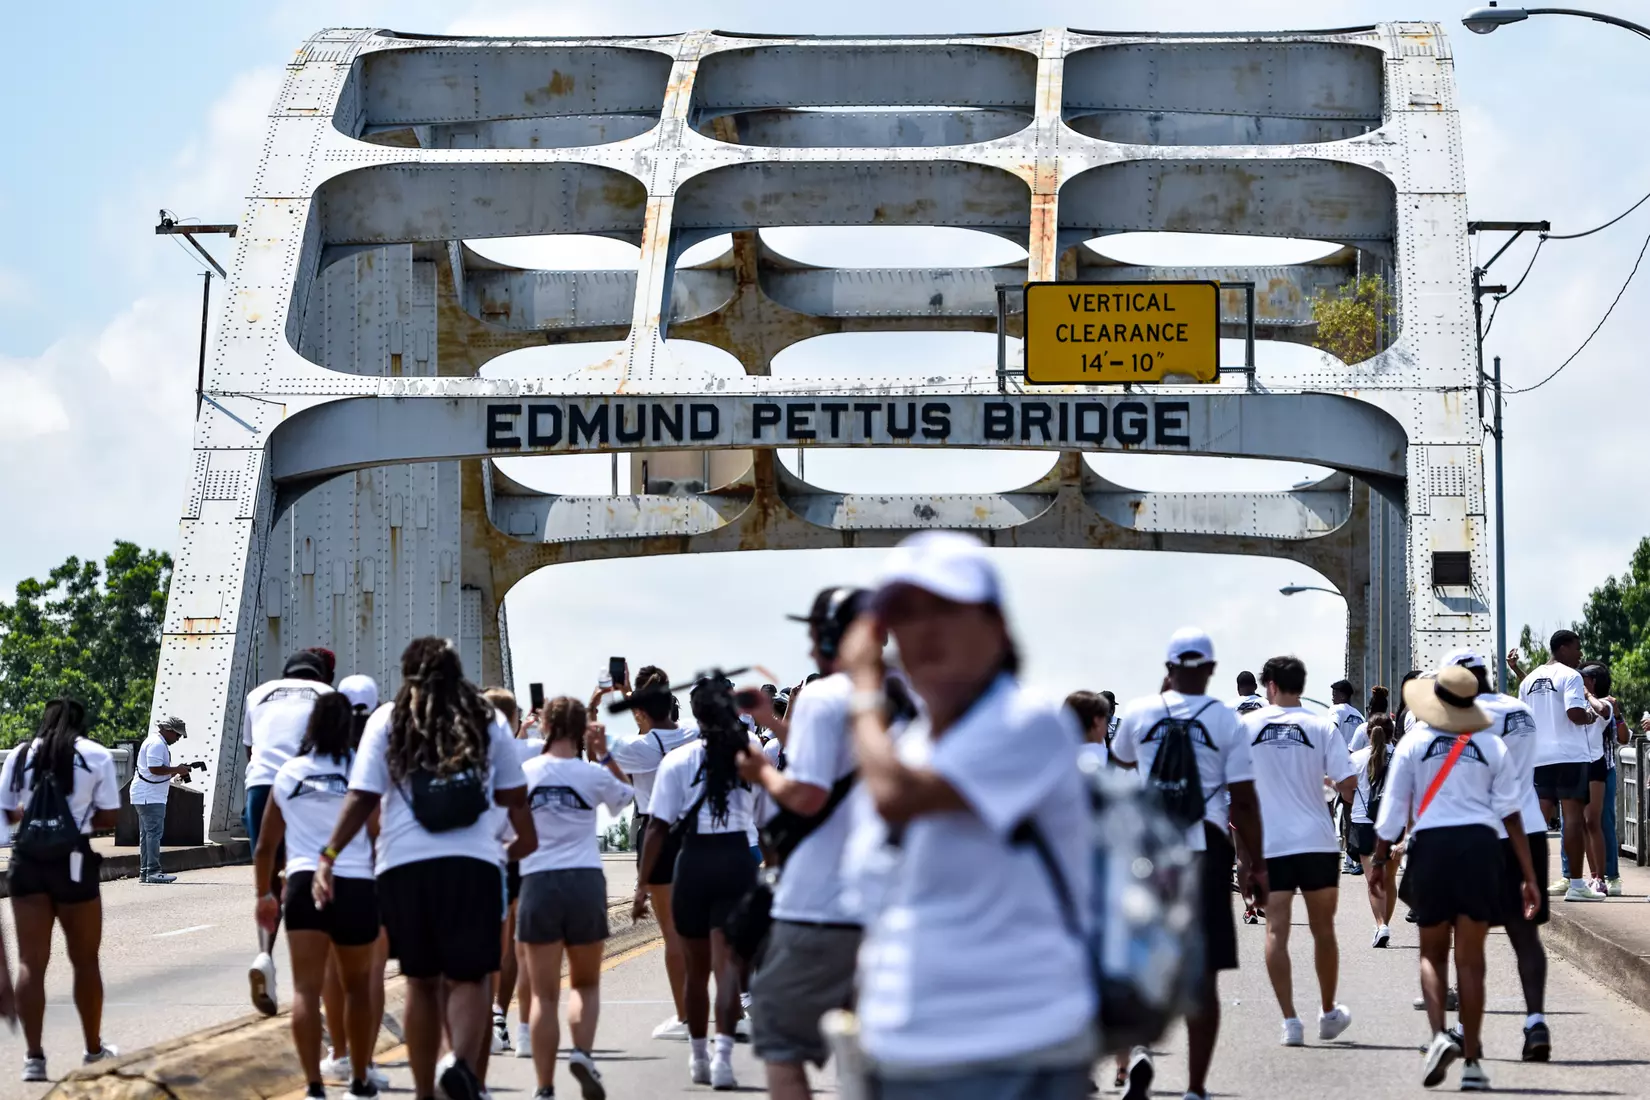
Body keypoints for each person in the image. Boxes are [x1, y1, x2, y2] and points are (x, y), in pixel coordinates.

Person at [830, 532, 1094, 1099]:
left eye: (945, 609)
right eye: (904, 613)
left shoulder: (1026, 722)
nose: (924, 630)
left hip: (1012, 1051)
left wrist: (863, 690)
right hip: (901, 1050)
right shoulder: (909, 742)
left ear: (997, 627)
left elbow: (898, 796)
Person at [313, 637, 536, 1100]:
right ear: (458, 673)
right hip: (474, 864)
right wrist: (515, 842)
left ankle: (424, 1093)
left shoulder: (386, 720)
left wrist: (329, 856)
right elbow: (514, 798)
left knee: (422, 982)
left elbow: (362, 797)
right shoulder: (488, 720)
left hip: (404, 866)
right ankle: (456, 1063)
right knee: (470, 977)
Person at [1113, 627, 1266, 1100]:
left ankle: (1138, 1048)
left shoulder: (1139, 712)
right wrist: (1255, 866)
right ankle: (1196, 1087)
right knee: (1203, 973)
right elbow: (1242, 800)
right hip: (1206, 847)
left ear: (1168, 669)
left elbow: (1120, 765)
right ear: (1212, 670)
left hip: (1149, 851)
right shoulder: (1226, 721)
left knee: (1142, 960)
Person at [1372, 664, 1540, 1092]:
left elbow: (1392, 813)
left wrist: (1377, 861)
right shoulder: (1490, 745)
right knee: (1471, 959)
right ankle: (1472, 1060)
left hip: (1432, 848)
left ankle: (1437, 1037)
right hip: (1481, 850)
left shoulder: (1413, 743)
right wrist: (1528, 874)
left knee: (1432, 953)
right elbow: (1512, 814)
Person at [736, 586, 870, 1100]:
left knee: (780, 1039)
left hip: (823, 906)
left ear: (831, 636)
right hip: (892, 904)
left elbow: (811, 794)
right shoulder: (910, 697)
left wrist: (761, 775)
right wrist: (774, 724)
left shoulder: (823, 697)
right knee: (871, 1049)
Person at [254, 692, 382, 1100]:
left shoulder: (289, 773)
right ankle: (360, 1081)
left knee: (306, 990)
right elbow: (379, 832)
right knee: (358, 987)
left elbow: (265, 847)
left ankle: (313, 1086)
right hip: (357, 884)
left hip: (304, 886)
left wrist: (264, 895)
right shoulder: (361, 772)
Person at [636, 677, 760, 1090]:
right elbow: (767, 813)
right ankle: (724, 1058)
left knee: (696, 969)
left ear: (693, 715)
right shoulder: (750, 754)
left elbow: (657, 828)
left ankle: (698, 1055)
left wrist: (641, 885)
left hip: (694, 862)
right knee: (728, 967)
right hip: (737, 858)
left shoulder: (678, 760)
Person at [517, 696, 633, 1100]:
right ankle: (582, 1052)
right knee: (584, 983)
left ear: (544, 725)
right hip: (585, 880)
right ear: (583, 728)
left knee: (544, 993)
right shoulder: (590, 774)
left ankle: (544, 1087)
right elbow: (626, 796)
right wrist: (603, 755)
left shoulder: (525, 773)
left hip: (538, 881)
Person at [1442, 649, 1553, 1061]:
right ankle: (1535, 1020)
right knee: (1525, 935)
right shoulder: (1521, 709)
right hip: (1529, 829)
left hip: (1479, 832)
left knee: (1468, 938)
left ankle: (1466, 1031)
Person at [0, 698, 119, 1081]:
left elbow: (6, 811)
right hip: (73, 861)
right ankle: (93, 1050)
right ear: (81, 724)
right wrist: (75, 818)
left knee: (30, 964)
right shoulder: (96, 755)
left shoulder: (19, 756)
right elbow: (110, 815)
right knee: (85, 960)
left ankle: (34, 1059)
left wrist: (31, 817)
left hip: (28, 863)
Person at [1241, 657, 1357, 1047]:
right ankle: (1327, 1012)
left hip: (1270, 844)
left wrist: (1243, 854)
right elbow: (1348, 782)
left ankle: (1290, 1021)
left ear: (1269, 685)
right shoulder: (1321, 725)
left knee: (1276, 930)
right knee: (1324, 930)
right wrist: (1323, 785)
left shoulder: (1247, 727)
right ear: (1301, 686)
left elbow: (1233, 792)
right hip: (1317, 841)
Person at [606, 666, 699, 1042]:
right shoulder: (694, 734)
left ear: (642, 708)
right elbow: (652, 724)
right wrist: (632, 696)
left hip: (657, 831)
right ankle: (729, 1005)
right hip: (697, 831)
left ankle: (685, 1015)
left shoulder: (639, 748)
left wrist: (614, 698)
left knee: (673, 936)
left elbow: (618, 755)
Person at [244, 649, 334, 1015]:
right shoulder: (328, 696)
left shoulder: (257, 694)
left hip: (261, 784)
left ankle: (265, 956)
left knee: (270, 877)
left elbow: (252, 752)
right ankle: (318, 975)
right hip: (304, 783)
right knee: (310, 873)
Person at [1511, 632, 1610, 902]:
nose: (1580, 655)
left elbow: (1523, 720)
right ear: (1563, 648)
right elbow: (1575, 714)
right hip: (1569, 756)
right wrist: (1591, 716)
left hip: (1539, 757)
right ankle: (1577, 884)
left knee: (1537, 820)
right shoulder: (1571, 676)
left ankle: (1522, 879)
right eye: (1577, 649)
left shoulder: (1529, 679)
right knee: (1574, 819)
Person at [480, 686, 538, 1061]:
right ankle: (501, 1016)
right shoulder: (530, 749)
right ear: (515, 719)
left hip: (474, 852)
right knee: (512, 941)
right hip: (515, 852)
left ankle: (485, 1018)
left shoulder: (467, 746)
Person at [1346, 712, 1398, 945]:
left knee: (1374, 880)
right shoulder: (1401, 756)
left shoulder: (1355, 759)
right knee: (1389, 879)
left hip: (1364, 824)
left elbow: (1346, 793)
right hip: (1394, 823)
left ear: (1368, 734)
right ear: (1392, 734)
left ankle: (1381, 925)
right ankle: (1383, 925)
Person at [129, 716, 191, 884]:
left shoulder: (155, 742)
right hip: (150, 796)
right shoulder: (157, 744)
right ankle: (154, 872)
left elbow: (155, 772)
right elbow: (154, 769)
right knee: (154, 833)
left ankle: (145, 872)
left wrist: (177, 771)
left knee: (147, 834)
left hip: (145, 795)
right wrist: (177, 768)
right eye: (177, 735)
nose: (178, 739)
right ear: (169, 731)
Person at [1346, 686, 1390, 753]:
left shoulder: (1363, 728)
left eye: (1367, 709)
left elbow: (1352, 753)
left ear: (1370, 709)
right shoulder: (1393, 726)